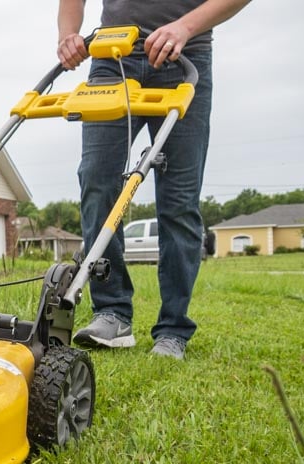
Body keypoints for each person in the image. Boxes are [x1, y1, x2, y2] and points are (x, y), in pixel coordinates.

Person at [57, 0, 251, 359]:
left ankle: (173, 329)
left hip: (184, 56)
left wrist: (186, 26)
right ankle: (112, 313)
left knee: (179, 200)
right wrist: (68, 35)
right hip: (111, 58)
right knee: (97, 181)